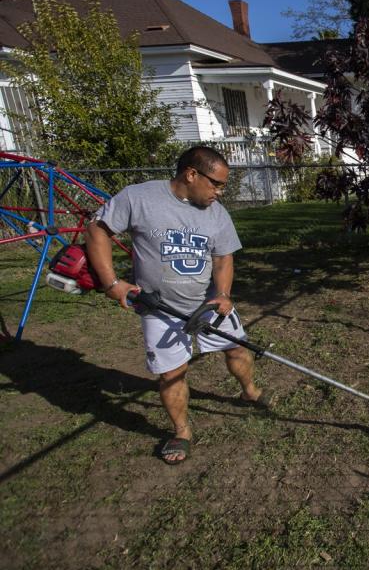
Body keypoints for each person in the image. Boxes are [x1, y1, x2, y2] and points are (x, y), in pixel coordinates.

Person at [86, 146, 271, 465]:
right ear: (191, 174)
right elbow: (97, 229)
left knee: (238, 349)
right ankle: (182, 431)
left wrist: (224, 294)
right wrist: (113, 283)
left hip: (208, 303)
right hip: (158, 308)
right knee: (172, 373)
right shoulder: (138, 198)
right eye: (217, 184)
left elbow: (224, 256)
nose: (219, 192)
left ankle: (249, 390)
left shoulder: (216, 213)